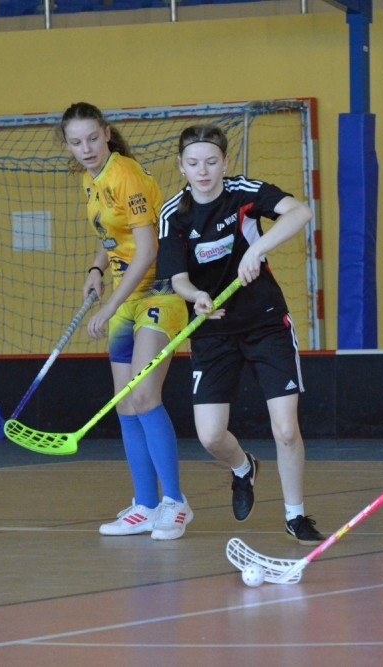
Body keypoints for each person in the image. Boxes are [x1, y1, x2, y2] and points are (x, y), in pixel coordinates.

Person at [156, 124, 325, 545]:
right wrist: (196, 296)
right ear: (180, 165)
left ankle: (295, 515)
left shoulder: (243, 193)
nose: (203, 171)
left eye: (212, 162)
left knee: (286, 429)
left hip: (265, 323)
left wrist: (257, 250)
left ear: (225, 162)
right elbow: (178, 279)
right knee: (211, 435)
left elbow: (300, 212)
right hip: (212, 331)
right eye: (193, 163)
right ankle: (243, 467)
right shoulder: (174, 214)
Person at [58, 102, 192, 540]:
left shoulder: (126, 175)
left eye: (91, 139)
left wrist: (109, 305)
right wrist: (96, 268)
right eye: (76, 142)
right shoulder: (90, 179)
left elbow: (148, 249)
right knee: (124, 403)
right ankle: (146, 505)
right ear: (67, 145)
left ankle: (175, 503)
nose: (86, 149)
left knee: (144, 395)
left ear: (106, 133)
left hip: (160, 291)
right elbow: (111, 235)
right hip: (122, 294)